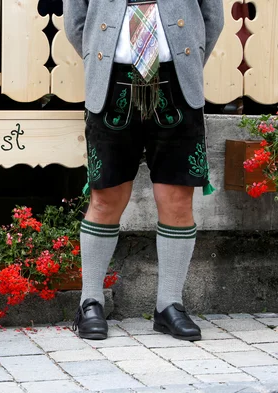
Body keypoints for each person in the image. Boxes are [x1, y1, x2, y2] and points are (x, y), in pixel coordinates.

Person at [64, 0, 224, 340]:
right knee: (106, 198)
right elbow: (76, 21)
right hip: (111, 83)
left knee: (178, 200)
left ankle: (169, 305)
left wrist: (187, 61)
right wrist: (101, 58)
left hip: (177, 83)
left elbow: (213, 17)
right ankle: (89, 302)